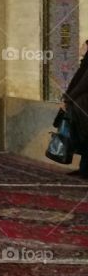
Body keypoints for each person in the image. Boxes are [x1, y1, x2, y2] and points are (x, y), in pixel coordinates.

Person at [63, 40, 88, 176]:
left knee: (85, 136)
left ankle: (85, 170)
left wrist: (68, 99)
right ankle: (84, 169)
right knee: (82, 137)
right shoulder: (85, 63)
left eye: (83, 46)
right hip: (81, 104)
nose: (81, 48)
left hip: (84, 105)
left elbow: (82, 84)